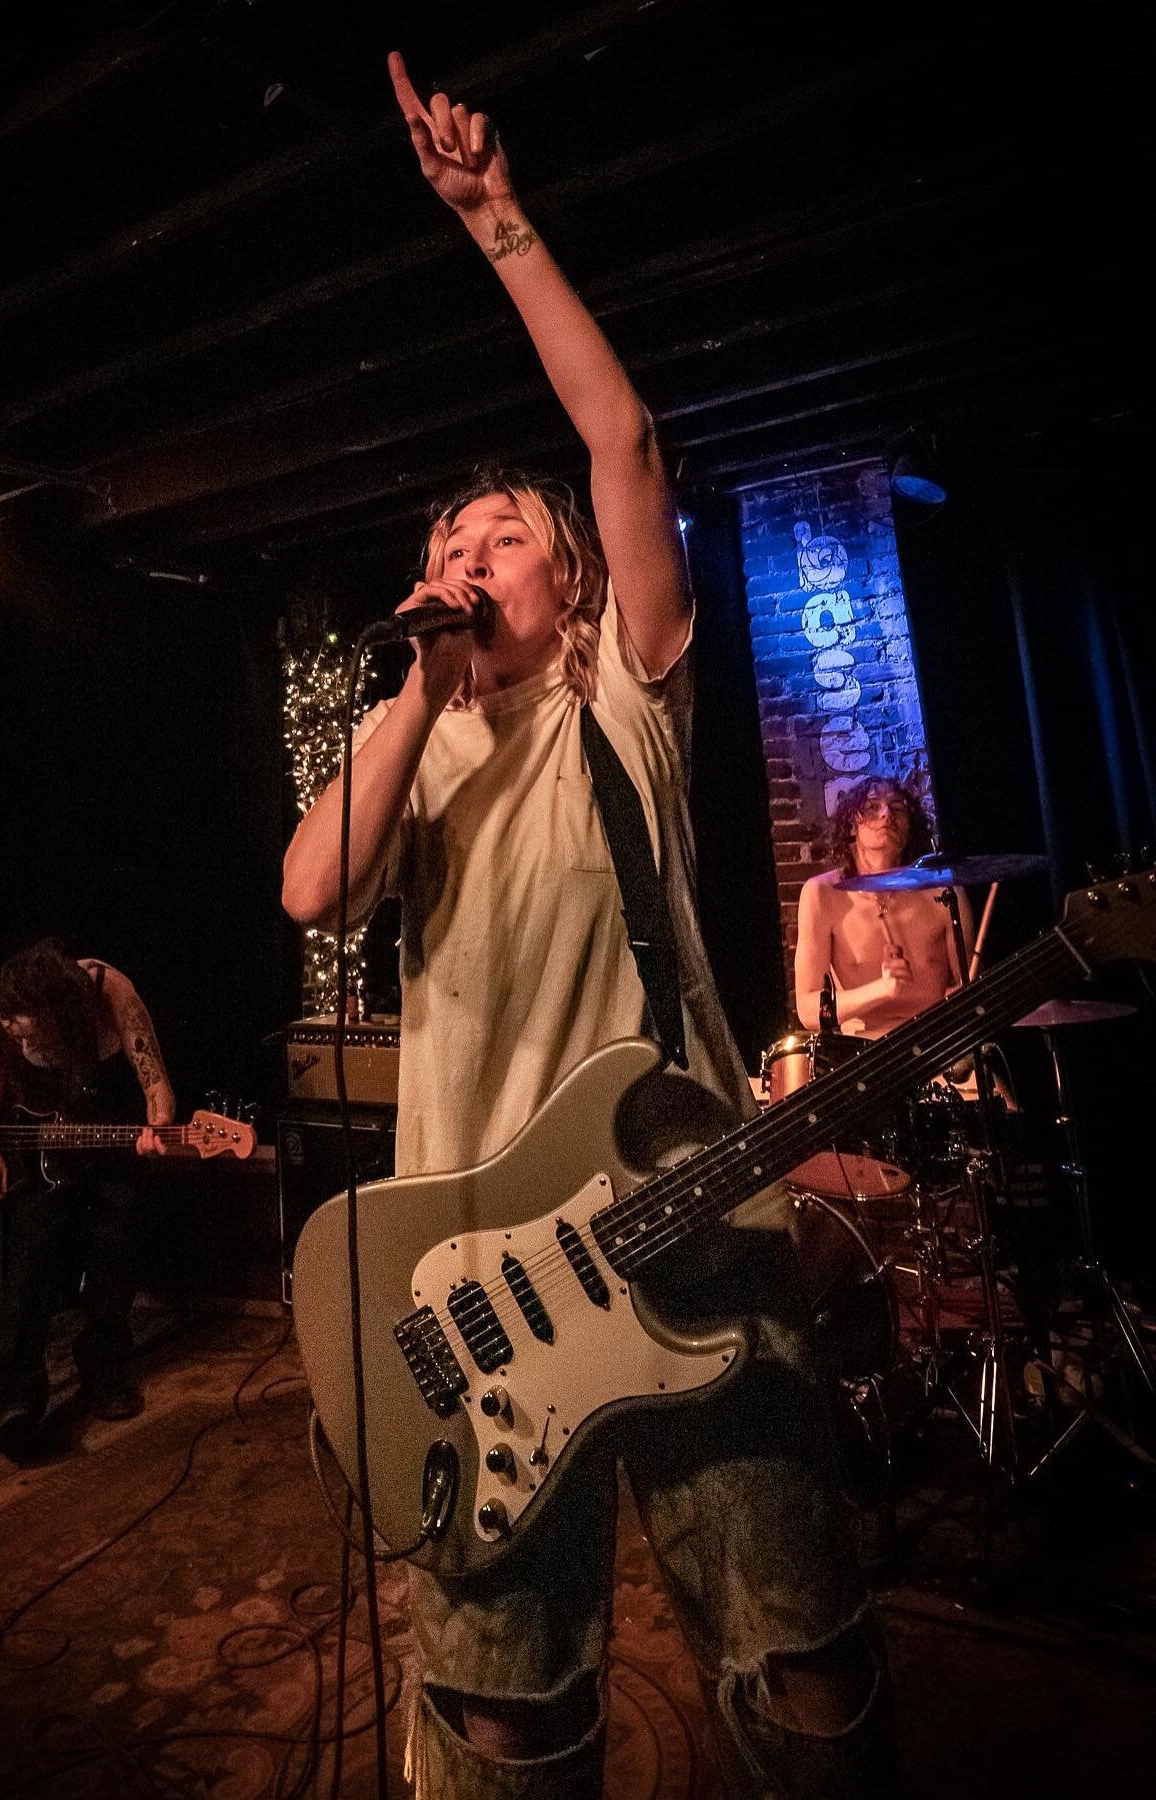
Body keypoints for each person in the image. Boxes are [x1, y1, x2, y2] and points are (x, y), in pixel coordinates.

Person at [282, 54, 897, 1800]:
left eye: (511, 533)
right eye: (454, 533)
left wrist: (498, 223)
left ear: (573, 588)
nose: (479, 546)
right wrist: (418, 671)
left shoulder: (620, 711)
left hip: (695, 1223)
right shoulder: (416, 754)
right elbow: (314, 888)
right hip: (484, 1293)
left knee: (803, 1679)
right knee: (502, 1724)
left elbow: (622, 439)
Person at [0, 939, 175, 1456]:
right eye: (10, 1022)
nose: (16, 1031)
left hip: (108, 1122)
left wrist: (158, 1127)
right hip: (44, 1140)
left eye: (28, 1024)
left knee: (114, 1254)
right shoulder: (1, 1014)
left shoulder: (110, 992)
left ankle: (106, 1373)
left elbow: (154, 1082)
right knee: (30, 1258)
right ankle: (16, 1399)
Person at [795, 774, 973, 1039]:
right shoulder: (821, 894)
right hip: (865, 1051)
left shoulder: (945, 892)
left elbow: (969, 987)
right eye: (872, 806)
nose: (887, 813)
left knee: (994, 1082)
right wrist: (882, 989)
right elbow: (808, 1009)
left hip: (936, 1044)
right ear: (851, 825)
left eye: (897, 807)